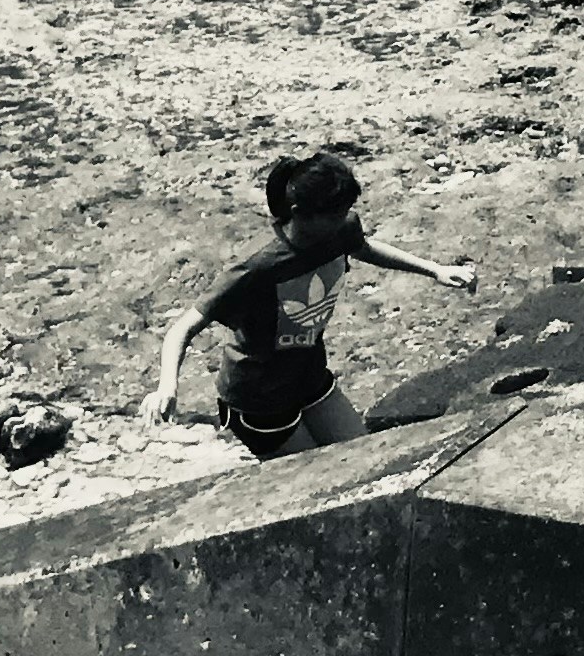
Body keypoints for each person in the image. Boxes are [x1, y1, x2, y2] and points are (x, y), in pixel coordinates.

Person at [143, 151, 476, 458]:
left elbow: (364, 248)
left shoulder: (339, 229)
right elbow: (183, 328)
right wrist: (167, 387)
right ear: (299, 214)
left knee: (363, 458)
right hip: (259, 402)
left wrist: (436, 270)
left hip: (310, 376)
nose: (345, 219)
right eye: (335, 214)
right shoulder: (256, 267)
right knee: (316, 480)